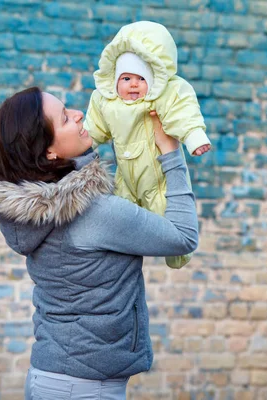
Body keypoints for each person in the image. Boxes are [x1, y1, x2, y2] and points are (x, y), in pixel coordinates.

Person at [0, 86, 198, 399]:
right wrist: (171, 154)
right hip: (85, 389)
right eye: (64, 118)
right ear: (48, 152)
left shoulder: (32, 216)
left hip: (51, 379)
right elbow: (183, 236)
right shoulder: (93, 212)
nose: (78, 114)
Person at [85, 20, 211, 269]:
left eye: (141, 78)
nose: (133, 85)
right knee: (120, 217)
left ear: (153, 79)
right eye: (127, 78)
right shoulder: (105, 102)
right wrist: (85, 143)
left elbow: (183, 112)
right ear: (115, 80)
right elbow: (94, 128)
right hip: (125, 178)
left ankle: (178, 257)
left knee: (166, 216)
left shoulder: (161, 98)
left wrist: (194, 137)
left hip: (158, 176)